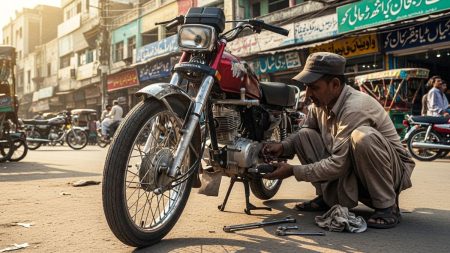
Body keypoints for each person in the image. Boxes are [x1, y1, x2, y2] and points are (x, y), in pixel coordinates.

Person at [261, 52, 415, 229]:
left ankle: (387, 206)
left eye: (314, 87)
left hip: (391, 173)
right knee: (304, 135)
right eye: (306, 87)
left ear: (335, 84)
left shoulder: (355, 107)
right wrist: (282, 146)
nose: (308, 94)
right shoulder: (319, 105)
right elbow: (301, 135)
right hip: (353, 167)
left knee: (363, 137)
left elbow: (338, 164)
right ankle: (327, 198)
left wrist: (293, 171)